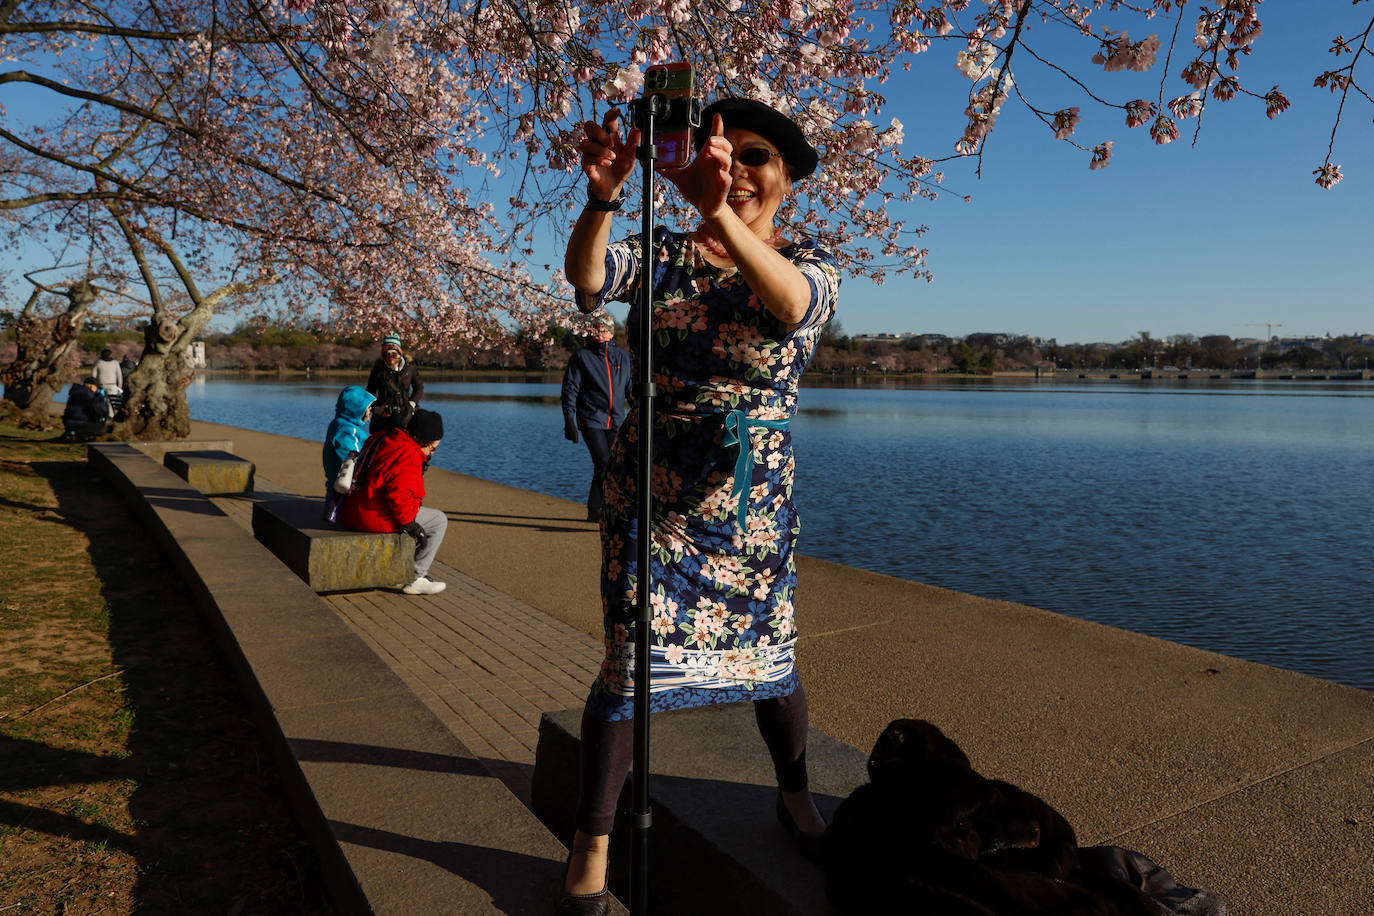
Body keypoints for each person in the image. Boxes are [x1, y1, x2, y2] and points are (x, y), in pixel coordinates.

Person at [557, 97, 840, 911]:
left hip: (749, 505)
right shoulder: (665, 254)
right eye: (727, 152)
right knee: (628, 663)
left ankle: (794, 797)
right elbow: (587, 281)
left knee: (773, 659)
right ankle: (591, 844)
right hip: (654, 493)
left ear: (785, 179)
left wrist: (721, 214)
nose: (741, 170)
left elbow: (789, 307)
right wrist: (604, 197)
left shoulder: (812, 261)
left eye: (759, 158)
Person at [339, 408, 449, 596]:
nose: (432, 454)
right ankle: (416, 577)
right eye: (433, 448)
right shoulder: (408, 453)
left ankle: (407, 569)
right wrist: (410, 525)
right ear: (424, 441)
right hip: (371, 516)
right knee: (438, 520)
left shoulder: (380, 438)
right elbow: (398, 495)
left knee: (417, 514)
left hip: (351, 509)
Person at [561, 313, 633, 522]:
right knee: (603, 461)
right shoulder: (582, 356)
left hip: (616, 419)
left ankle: (606, 508)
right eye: (596, 330)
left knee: (613, 465)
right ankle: (595, 510)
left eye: (603, 330)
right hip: (591, 418)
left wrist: (640, 410)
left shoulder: (622, 357)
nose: (599, 334)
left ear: (611, 332)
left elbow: (629, 389)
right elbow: (570, 389)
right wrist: (569, 420)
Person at [321, 385, 376, 522]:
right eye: (368, 408)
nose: (370, 413)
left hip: (338, 494)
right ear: (357, 409)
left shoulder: (341, 424)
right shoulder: (347, 431)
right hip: (342, 500)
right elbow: (355, 463)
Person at [366, 333, 424, 434]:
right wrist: (376, 409)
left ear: (400, 353)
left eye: (394, 354)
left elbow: (418, 387)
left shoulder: (410, 368)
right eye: (387, 354)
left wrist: (412, 404)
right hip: (383, 416)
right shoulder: (378, 368)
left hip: (405, 413)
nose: (390, 357)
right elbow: (370, 391)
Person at [62, 377, 109, 442]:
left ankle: (75, 435)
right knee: (104, 428)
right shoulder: (89, 395)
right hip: (79, 424)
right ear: (92, 386)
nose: (97, 390)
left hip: (68, 423)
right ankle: (85, 436)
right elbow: (98, 412)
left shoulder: (76, 391)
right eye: (97, 388)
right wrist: (99, 397)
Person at [92, 348, 123, 418]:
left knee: (101, 401)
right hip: (112, 385)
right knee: (112, 403)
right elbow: (119, 375)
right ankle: (111, 416)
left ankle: (102, 416)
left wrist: (95, 384)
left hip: (101, 385)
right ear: (110, 355)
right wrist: (120, 385)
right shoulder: (115, 363)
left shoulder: (98, 362)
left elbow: (93, 375)